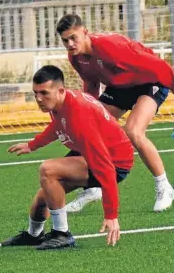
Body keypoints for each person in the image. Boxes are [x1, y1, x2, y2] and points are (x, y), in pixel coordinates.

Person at [2, 65, 134, 250]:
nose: (38, 99)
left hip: (115, 162)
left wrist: (111, 215)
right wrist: (32, 145)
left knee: (48, 169)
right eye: (35, 93)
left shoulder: (80, 115)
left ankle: (62, 234)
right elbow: (57, 126)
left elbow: (105, 167)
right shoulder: (59, 101)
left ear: (60, 90)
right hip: (89, 153)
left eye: (44, 93)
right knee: (44, 197)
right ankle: (34, 235)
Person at [56, 13, 174, 214]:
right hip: (119, 87)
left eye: (74, 37)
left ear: (85, 32)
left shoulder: (110, 47)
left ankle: (164, 187)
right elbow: (92, 83)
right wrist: (87, 111)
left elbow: (159, 67)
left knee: (134, 131)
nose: (70, 44)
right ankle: (92, 189)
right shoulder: (75, 57)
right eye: (65, 40)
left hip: (149, 81)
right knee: (88, 127)